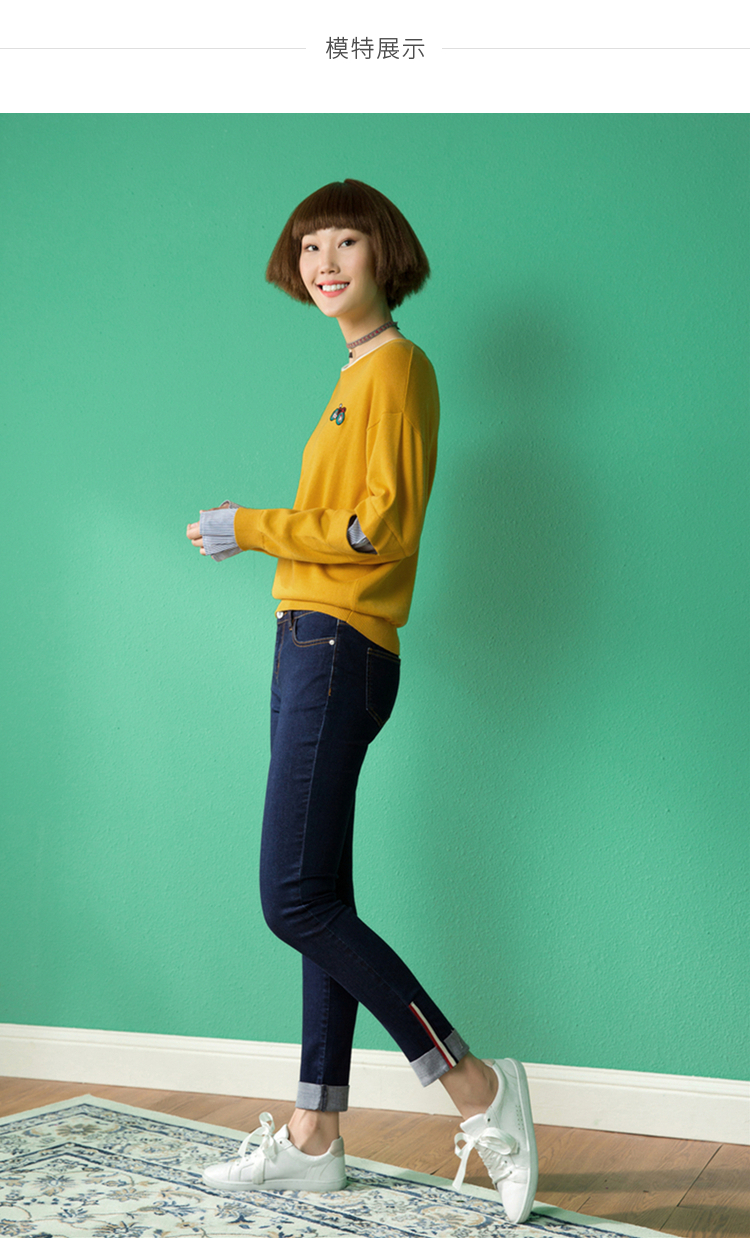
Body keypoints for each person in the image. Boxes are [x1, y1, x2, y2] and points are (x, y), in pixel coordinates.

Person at [186, 179, 538, 1223]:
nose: (325, 262)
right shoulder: (354, 374)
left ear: (385, 254)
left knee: (292, 899)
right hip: (311, 641)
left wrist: (252, 525)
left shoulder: (397, 368)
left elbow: (376, 530)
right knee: (320, 896)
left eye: (345, 242)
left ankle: (477, 1086)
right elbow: (348, 522)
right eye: (309, 246)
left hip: (337, 645)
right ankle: (314, 1137)